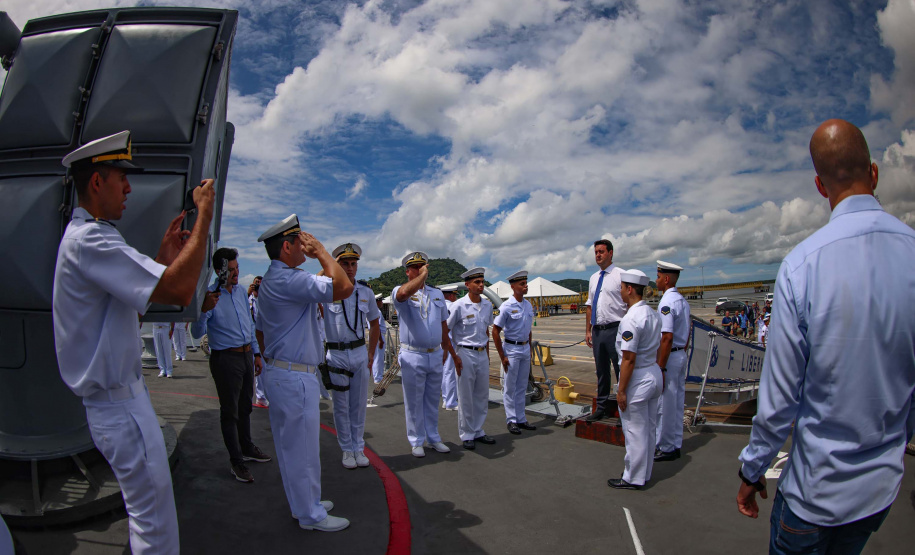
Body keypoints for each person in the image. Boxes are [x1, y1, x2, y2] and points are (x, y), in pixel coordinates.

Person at [736, 119, 915, 553]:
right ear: (874, 172)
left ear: (819, 186)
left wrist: (751, 471)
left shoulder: (801, 266)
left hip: (816, 494)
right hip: (880, 490)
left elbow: (778, 401)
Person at [53, 130, 215, 553]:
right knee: (154, 525)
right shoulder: (93, 240)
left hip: (120, 404)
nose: (128, 187)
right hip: (120, 406)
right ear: (95, 182)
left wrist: (162, 257)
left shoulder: (87, 239)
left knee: (151, 516)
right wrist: (204, 219)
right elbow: (180, 290)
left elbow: (129, 313)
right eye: (120, 177)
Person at [255, 214, 354, 532]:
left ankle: (305, 503)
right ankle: (310, 515)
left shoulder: (277, 279)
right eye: (300, 242)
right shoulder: (288, 280)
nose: (305, 245)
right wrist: (324, 252)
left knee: (295, 449)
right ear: (286, 247)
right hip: (294, 376)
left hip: (284, 372)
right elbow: (344, 286)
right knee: (302, 450)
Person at [191, 248, 271, 484]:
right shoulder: (209, 295)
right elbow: (196, 333)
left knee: (246, 406)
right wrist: (204, 309)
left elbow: (248, 325)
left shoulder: (238, 293)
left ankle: (246, 447)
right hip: (225, 359)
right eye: (232, 270)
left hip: (246, 356)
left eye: (238, 269)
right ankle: (236, 460)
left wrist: (256, 354)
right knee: (230, 412)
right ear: (219, 271)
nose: (237, 274)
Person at [392, 252, 461, 457]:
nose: (420, 269)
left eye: (423, 266)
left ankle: (433, 437)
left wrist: (447, 350)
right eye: (415, 267)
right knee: (413, 400)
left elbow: (443, 326)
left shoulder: (437, 294)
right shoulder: (400, 291)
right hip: (413, 354)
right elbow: (403, 295)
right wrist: (420, 278)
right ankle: (416, 440)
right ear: (407, 271)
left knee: (432, 399)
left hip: (435, 354)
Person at [321, 243, 381, 470]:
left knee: (358, 406)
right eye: (344, 263)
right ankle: (346, 449)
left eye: (353, 264)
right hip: (336, 354)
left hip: (358, 353)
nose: (350, 268)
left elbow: (375, 324)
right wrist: (328, 268)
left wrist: (371, 353)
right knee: (341, 406)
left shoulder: (365, 292)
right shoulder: (327, 290)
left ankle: (358, 447)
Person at [607, 270, 663, 490]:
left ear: (629, 289)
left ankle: (632, 477)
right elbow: (657, 348)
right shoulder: (652, 314)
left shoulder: (631, 319)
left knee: (634, 431)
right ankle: (644, 472)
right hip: (653, 373)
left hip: (638, 377)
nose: (620, 291)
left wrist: (621, 391)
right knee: (648, 429)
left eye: (621, 287)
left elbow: (629, 358)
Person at [447, 267, 495, 450]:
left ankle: (478, 430)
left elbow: (486, 331)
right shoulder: (458, 305)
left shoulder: (488, 305)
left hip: (482, 353)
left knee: (482, 394)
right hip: (465, 353)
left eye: (482, 281)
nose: (481, 285)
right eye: (477, 282)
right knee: (465, 395)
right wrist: (454, 355)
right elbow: (447, 330)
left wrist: (488, 355)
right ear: (467, 285)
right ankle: (467, 433)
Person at [653, 261, 691, 462]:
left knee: (665, 404)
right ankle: (676, 443)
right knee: (677, 403)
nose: (656, 280)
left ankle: (666, 446)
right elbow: (688, 331)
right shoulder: (682, 301)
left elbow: (666, 337)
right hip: (680, 354)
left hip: (670, 357)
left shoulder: (666, 303)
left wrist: (661, 365)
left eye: (658, 276)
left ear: (666, 279)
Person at [584, 239, 626, 421]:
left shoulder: (621, 275)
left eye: (601, 252)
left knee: (620, 370)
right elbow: (589, 306)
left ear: (611, 253)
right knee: (601, 371)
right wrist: (588, 330)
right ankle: (601, 407)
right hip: (598, 331)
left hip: (616, 328)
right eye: (596, 252)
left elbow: (629, 303)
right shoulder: (594, 278)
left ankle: (624, 410)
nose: (598, 255)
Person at [492, 270, 537, 435]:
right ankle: (511, 420)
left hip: (525, 348)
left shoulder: (528, 305)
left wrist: (530, 348)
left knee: (522, 385)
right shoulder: (506, 306)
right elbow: (495, 331)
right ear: (513, 286)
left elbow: (529, 329)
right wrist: (502, 355)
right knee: (510, 387)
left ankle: (521, 418)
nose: (526, 286)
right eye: (522, 284)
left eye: (526, 283)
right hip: (511, 349)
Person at [248, 275, 268, 407]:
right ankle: (260, 396)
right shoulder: (248, 299)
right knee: (257, 367)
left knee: (265, 367)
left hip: (265, 335)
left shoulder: (265, 299)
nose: (258, 286)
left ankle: (264, 395)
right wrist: (249, 292)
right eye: (256, 283)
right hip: (252, 336)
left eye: (260, 283)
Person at [440, 286, 460, 411]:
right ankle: (451, 402)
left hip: (441, 343)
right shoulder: (452, 307)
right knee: (450, 373)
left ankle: (446, 398)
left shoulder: (440, 306)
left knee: (445, 372)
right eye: (455, 295)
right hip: (450, 343)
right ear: (451, 296)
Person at [371, 294, 387, 384]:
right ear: (377, 301)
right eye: (381, 301)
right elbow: (377, 327)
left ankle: (376, 375)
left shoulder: (375, 311)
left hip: (376, 336)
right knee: (379, 358)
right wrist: (380, 340)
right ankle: (378, 378)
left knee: (377, 356)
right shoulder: (376, 312)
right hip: (378, 337)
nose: (382, 303)